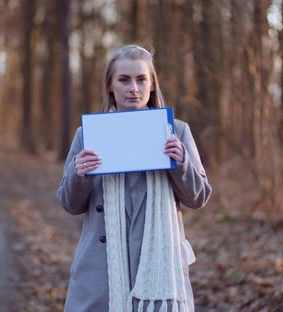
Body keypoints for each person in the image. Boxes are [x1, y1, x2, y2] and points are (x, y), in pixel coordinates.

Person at [57, 44, 212, 312]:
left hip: (157, 272)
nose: (134, 88)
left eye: (141, 79)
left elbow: (198, 198)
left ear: (152, 85)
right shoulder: (89, 135)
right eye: (124, 79)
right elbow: (69, 204)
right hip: (100, 272)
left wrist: (181, 162)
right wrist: (78, 172)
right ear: (110, 86)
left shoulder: (175, 131)